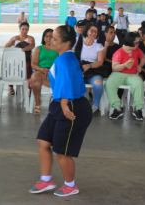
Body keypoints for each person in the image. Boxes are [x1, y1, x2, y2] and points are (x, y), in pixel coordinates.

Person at [29, 25, 92, 197]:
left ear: (66, 43)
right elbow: (61, 85)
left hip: (72, 107)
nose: (50, 40)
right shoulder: (64, 58)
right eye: (50, 37)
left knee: (62, 152)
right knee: (43, 142)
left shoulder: (65, 60)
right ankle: (46, 179)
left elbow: (69, 87)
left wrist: (64, 105)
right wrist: (41, 79)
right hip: (59, 104)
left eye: (55, 39)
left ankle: (71, 185)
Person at [106, 32, 145, 121]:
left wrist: (140, 65)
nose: (138, 44)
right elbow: (114, 68)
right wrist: (124, 65)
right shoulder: (118, 52)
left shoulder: (137, 50)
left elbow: (144, 58)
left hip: (132, 74)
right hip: (118, 74)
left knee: (139, 83)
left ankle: (138, 108)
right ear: (130, 43)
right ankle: (118, 108)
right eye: (136, 42)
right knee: (109, 84)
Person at [74, 24, 106, 114]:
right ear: (87, 31)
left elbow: (100, 62)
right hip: (80, 70)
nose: (94, 33)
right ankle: (76, 104)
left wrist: (89, 66)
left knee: (98, 84)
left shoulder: (99, 46)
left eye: (96, 31)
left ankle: (95, 105)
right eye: (92, 30)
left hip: (93, 70)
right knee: (72, 82)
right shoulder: (78, 42)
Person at [30, 29, 58, 114]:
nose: (49, 38)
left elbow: (62, 62)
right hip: (41, 70)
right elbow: (33, 64)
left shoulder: (58, 49)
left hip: (54, 71)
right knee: (35, 79)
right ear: (44, 38)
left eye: (51, 36)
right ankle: (38, 102)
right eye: (47, 36)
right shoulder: (39, 48)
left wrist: (52, 70)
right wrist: (42, 69)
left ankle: (56, 102)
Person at [5, 22, 35, 94]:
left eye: (26, 29)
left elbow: (32, 46)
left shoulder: (30, 38)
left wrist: (22, 50)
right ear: (20, 29)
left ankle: (29, 85)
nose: (24, 31)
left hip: (26, 58)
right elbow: (6, 46)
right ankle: (10, 86)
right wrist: (11, 41)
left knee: (28, 64)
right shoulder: (15, 38)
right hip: (16, 60)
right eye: (23, 29)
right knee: (10, 65)